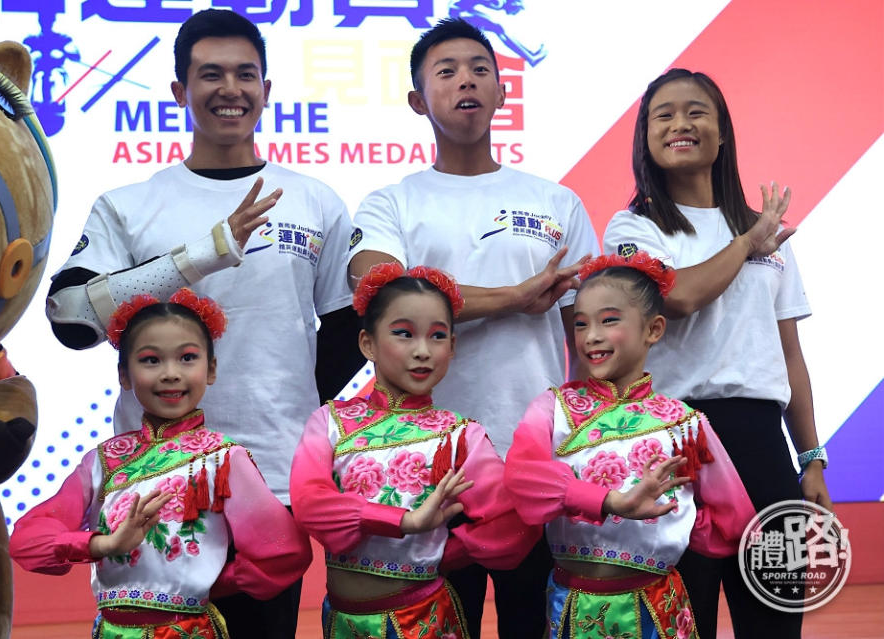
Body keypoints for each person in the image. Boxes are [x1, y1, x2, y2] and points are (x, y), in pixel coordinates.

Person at [44, 9, 360, 635]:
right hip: (152, 481)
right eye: (209, 75)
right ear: (179, 92)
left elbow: (347, 330)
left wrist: (289, 402)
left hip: (273, 475)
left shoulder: (314, 199)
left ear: (266, 92)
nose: (230, 90)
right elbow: (71, 316)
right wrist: (204, 254)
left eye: (246, 75)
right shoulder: (130, 205)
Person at [347, 18, 598, 639]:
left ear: (502, 91)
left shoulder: (556, 202)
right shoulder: (391, 202)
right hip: (422, 460)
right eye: (447, 71)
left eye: (481, 69)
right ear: (417, 100)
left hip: (533, 455)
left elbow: (589, 334)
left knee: (532, 623)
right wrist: (513, 297)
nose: (467, 81)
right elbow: (379, 292)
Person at [602, 68, 831, 638]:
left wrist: (811, 457)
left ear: (723, 132)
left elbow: (789, 355)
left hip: (760, 441)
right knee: (684, 617)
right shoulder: (634, 227)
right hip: (673, 443)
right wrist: (749, 244)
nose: (682, 124)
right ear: (646, 137)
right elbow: (676, 296)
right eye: (665, 115)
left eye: (697, 111)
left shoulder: (765, 230)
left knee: (775, 618)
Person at [10, 289, 312, 638]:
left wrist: (210, 584)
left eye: (187, 358)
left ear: (211, 369)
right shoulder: (104, 460)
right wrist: (103, 545)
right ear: (124, 375)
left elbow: (283, 551)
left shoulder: (222, 458)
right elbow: (27, 541)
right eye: (151, 360)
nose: (170, 374)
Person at [505, 251, 757, 638]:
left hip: (658, 607)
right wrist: (609, 503)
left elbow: (733, 520)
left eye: (609, 320)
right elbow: (524, 481)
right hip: (574, 603)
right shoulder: (553, 408)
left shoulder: (683, 423)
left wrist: (676, 524)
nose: (591, 336)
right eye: (580, 324)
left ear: (653, 329)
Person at [291, 263, 541, 639]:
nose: (423, 351)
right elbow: (311, 502)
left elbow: (510, 525)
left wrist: (442, 555)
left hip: (424, 619)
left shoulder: (460, 435)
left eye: (437, 336)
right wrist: (405, 523)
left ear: (452, 347)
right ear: (367, 344)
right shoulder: (330, 421)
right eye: (404, 334)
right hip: (343, 623)